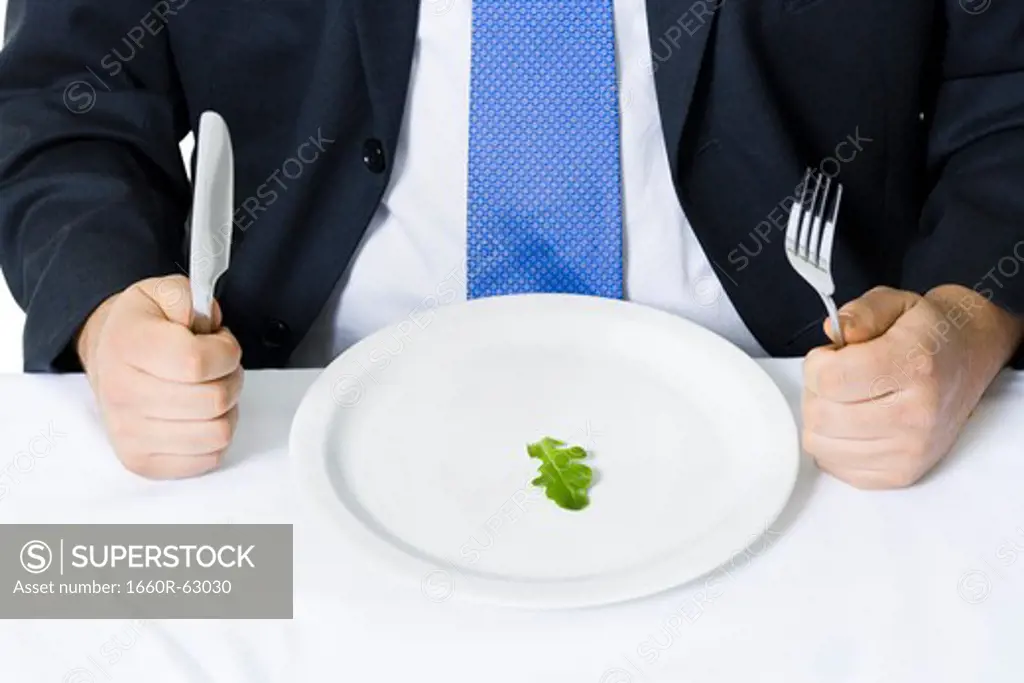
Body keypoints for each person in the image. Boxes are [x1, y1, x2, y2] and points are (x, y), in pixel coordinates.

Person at [1, 0, 1022, 487]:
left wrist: (969, 319)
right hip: (280, 421)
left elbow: (1008, 103)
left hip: (822, 417)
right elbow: (58, 104)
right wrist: (105, 309)